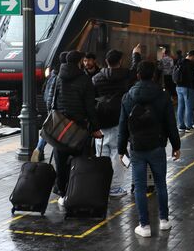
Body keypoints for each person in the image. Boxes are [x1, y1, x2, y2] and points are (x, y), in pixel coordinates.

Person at [118, 61, 181, 238]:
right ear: (154, 75)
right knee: (161, 184)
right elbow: (171, 123)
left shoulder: (127, 97)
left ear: (138, 75)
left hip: (137, 147)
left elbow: (123, 126)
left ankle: (144, 225)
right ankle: (164, 220)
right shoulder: (163, 96)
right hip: (157, 145)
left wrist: (121, 149)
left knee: (139, 186)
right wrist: (176, 146)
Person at [54, 50, 103, 207]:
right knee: (80, 162)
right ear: (80, 61)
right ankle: (78, 193)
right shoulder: (85, 80)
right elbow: (90, 107)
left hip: (60, 126)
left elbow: (52, 102)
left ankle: (63, 194)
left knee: (60, 162)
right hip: (79, 128)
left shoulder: (59, 78)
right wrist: (95, 128)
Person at [92, 46, 141, 197]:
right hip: (120, 119)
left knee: (102, 154)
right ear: (120, 61)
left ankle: (101, 185)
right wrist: (136, 54)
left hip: (101, 120)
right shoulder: (126, 75)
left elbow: (91, 99)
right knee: (118, 152)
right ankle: (114, 187)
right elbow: (136, 69)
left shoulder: (96, 78)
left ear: (106, 61)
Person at [31, 51, 68, 163]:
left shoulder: (53, 73)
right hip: (58, 107)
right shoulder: (62, 75)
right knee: (58, 130)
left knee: (48, 129)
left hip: (50, 106)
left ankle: (39, 148)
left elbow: (46, 90)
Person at [174, 50, 194, 132]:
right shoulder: (189, 64)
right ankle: (189, 126)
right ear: (192, 56)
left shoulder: (179, 62)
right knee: (189, 107)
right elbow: (192, 77)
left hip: (178, 87)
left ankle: (181, 126)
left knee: (180, 106)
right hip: (188, 88)